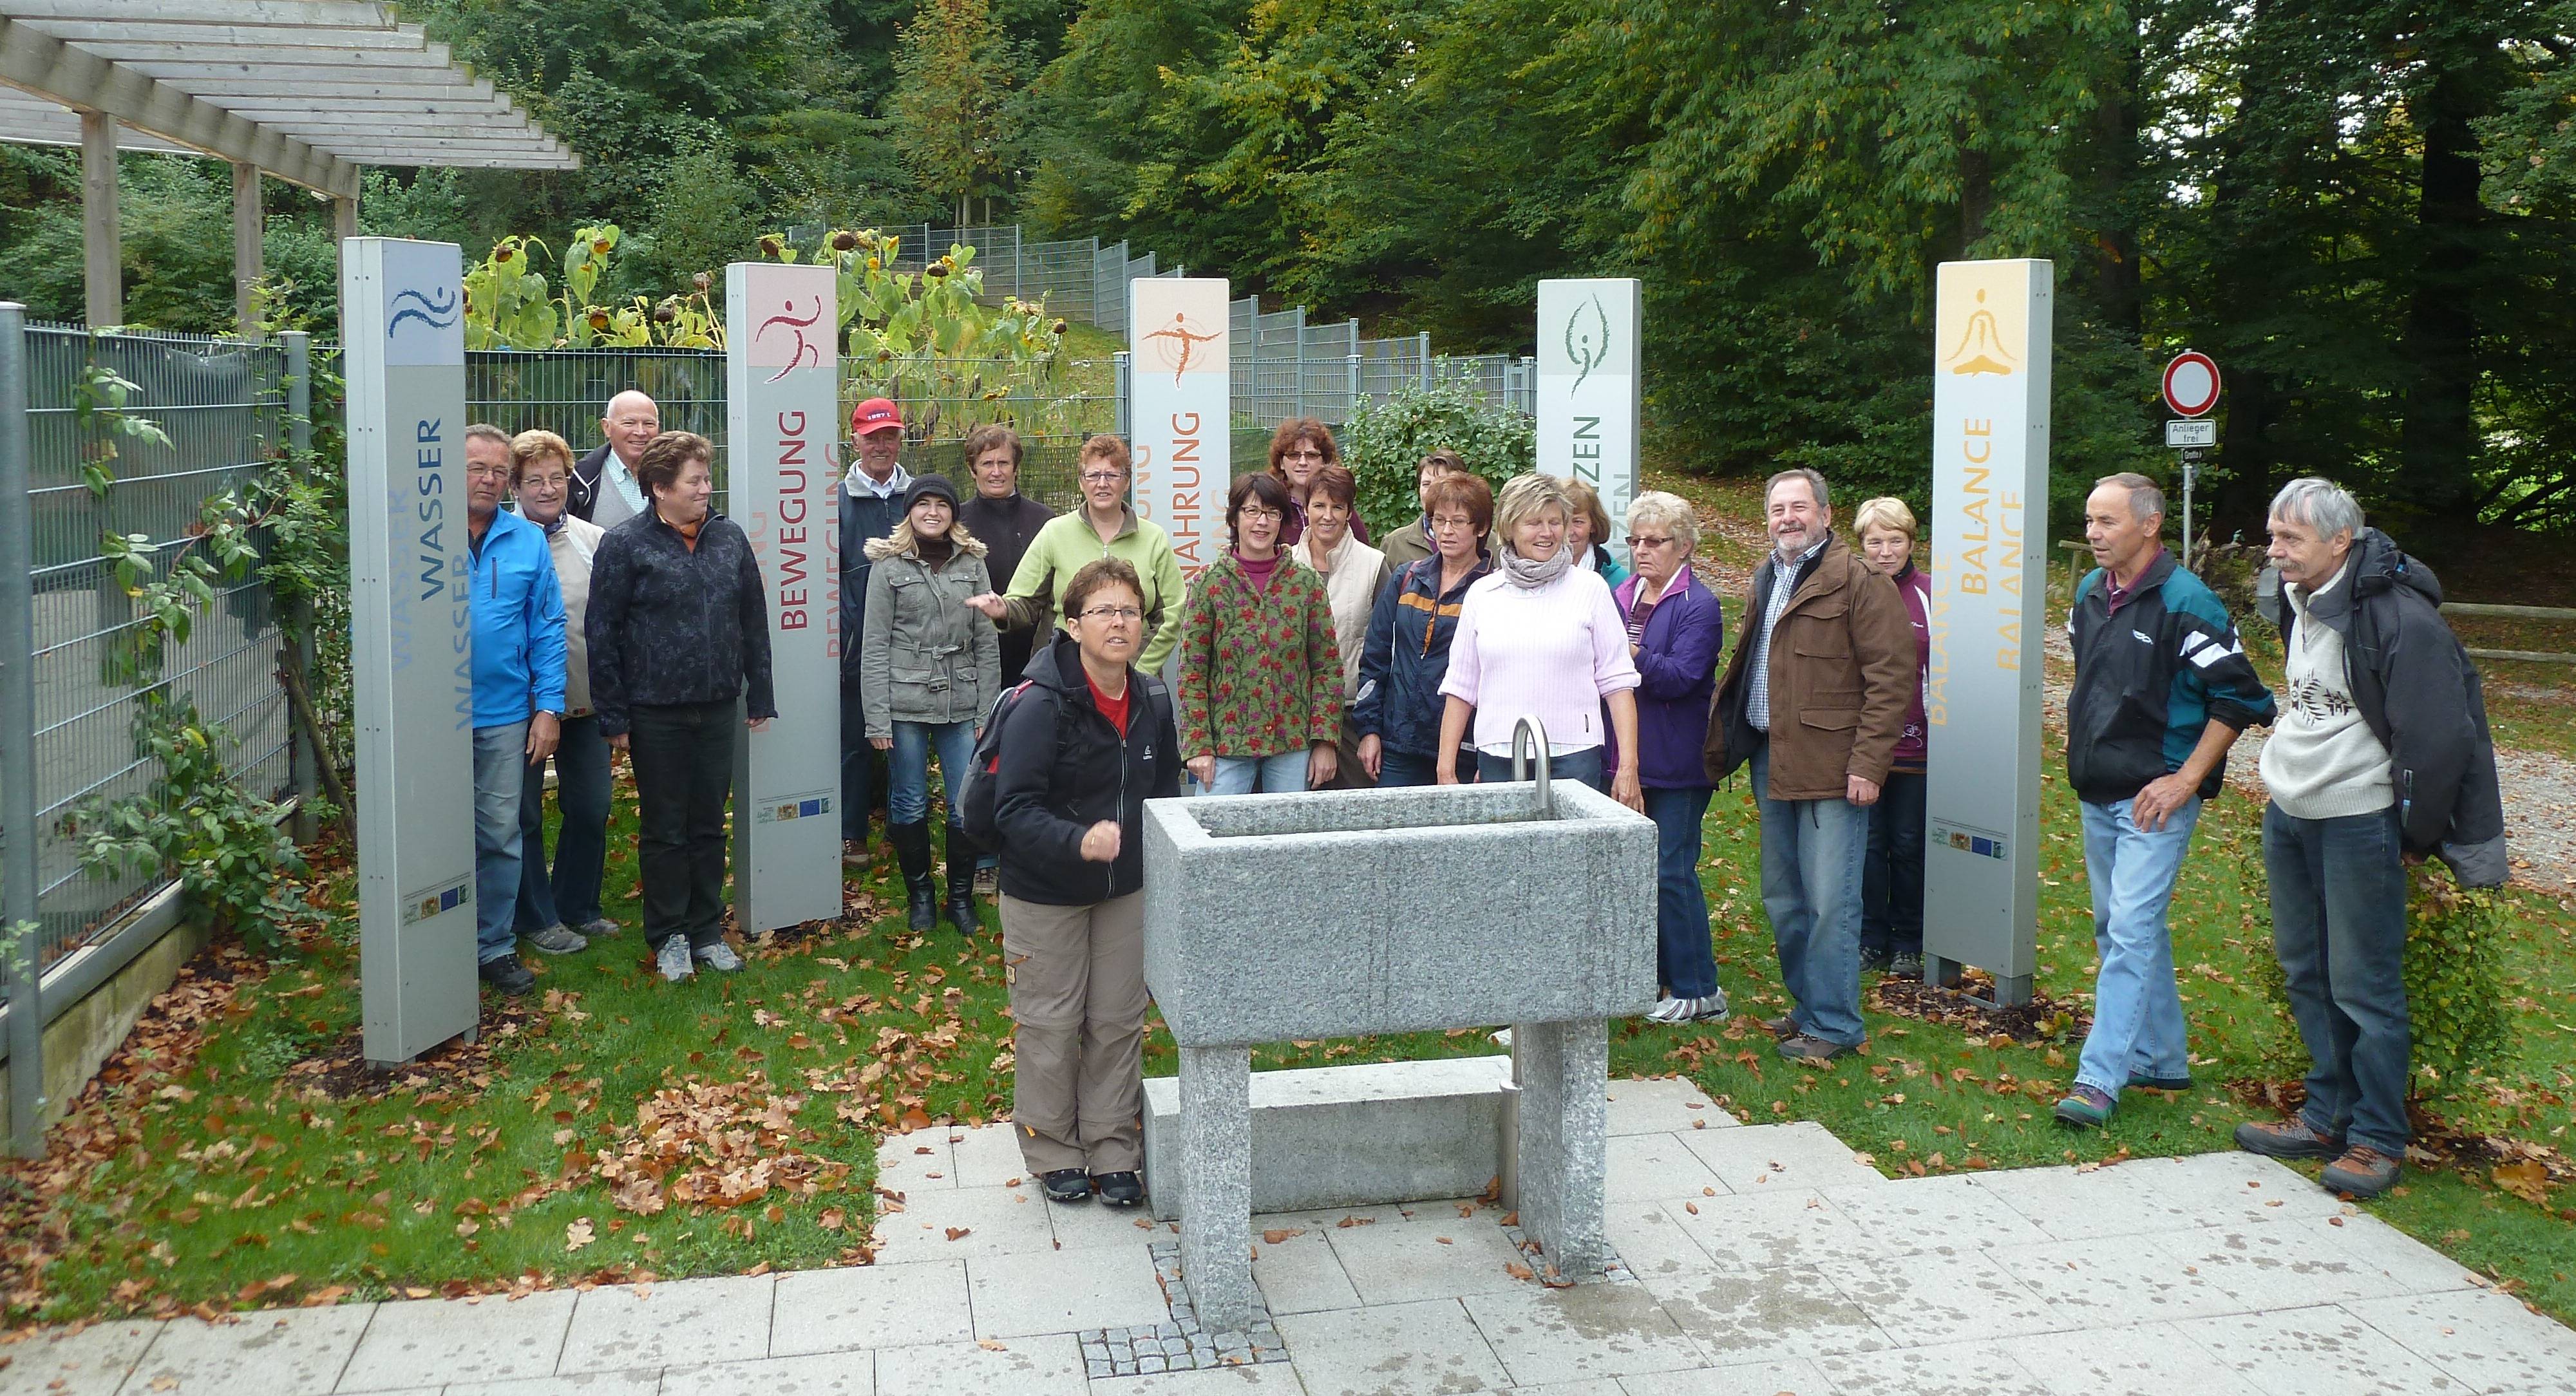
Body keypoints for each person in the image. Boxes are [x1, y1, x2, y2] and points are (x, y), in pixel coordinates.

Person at [2235, 478, 2505, 1199]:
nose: (2274, 550)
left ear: (2339, 541)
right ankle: (2326, 1112)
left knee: (2363, 982)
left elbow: (2442, 736)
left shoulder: (2401, 619)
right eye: (2272, 535)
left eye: (2289, 538)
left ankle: (2378, 1136)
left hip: (2360, 816)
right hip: (2292, 808)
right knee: (2306, 968)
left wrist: (2413, 833)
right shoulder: (2296, 601)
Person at [2052, 474, 2276, 1129]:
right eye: (2089, 521)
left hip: (2155, 799)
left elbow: (2242, 699)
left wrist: (2184, 780)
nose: (2093, 533)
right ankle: (2158, 1055)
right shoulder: (2092, 593)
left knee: (2127, 929)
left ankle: (2098, 1078)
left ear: (2149, 525)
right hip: (2098, 789)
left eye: (2106, 522)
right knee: (2120, 926)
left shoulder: (2189, 603)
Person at [1701, 469, 1914, 1063]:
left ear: (1825, 513)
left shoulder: (1861, 581)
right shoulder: (1769, 574)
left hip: (1834, 764)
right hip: (1775, 756)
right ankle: (1809, 1006)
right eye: (1777, 509)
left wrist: (1869, 765)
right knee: (1783, 896)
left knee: (1831, 901)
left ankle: (1838, 1024)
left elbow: (1891, 680)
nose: (1787, 518)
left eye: (1799, 507)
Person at [992, 558, 1182, 1207]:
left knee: (1117, 1019)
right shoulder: (1038, 705)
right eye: (1104, 611)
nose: (1120, 622)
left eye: (1130, 609)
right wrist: (1078, 840)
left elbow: (1165, 796)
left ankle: (1111, 1147)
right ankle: (1053, 1148)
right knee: (1049, 1022)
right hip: (1043, 891)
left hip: (1123, 892)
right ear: (1073, 625)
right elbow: (1011, 809)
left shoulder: (1153, 698)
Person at [586, 431, 776, 983]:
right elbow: (602, 632)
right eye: (694, 481)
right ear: (660, 488)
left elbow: (753, 621)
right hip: (655, 711)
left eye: (706, 479)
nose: (705, 489)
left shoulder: (728, 538)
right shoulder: (624, 545)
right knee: (666, 828)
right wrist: (614, 714)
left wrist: (759, 692)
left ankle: (708, 931)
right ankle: (668, 935)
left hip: (717, 706)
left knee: (708, 824)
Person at [1436, 474, 1643, 806]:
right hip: (1499, 756)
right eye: (1534, 523)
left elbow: (1618, 682)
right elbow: (1461, 686)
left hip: (1574, 757)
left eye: (1554, 522)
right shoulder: (1483, 594)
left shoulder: (1590, 590)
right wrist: (1446, 769)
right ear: (1510, 528)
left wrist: (1628, 767)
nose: (1547, 533)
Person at [862, 474, 1001, 934]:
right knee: (909, 802)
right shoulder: (889, 566)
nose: (933, 512)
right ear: (910, 512)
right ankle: (920, 896)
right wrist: (877, 718)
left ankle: (959, 900)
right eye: (923, 504)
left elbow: (986, 642)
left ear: (953, 515)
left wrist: (987, 713)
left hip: (961, 699)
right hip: (904, 701)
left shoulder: (973, 563)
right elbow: (875, 645)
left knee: (965, 803)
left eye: (942, 504)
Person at [460, 425, 570, 997]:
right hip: (429, 719)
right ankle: (434, 938)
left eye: (499, 471)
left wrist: (548, 707)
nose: (490, 479)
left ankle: (493, 945)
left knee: (501, 834)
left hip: (505, 715)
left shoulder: (526, 540)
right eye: (478, 467)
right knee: (434, 833)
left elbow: (549, 627)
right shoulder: (419, 537)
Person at [1616, 491, 1728, 1024]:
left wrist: (1631, 655)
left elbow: (1684, 678)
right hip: (1629, 754)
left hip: (1680, 762)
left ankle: (1700, 989)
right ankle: (1663, 979)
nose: (1642, 550)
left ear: (1682, 546)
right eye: (1635, 540)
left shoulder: (1699, 606)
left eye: (1654, 541)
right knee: (1643, 873)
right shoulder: (1624, 593)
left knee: (1673, 871)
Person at [507, 429, 620, 950]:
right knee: (524, 814)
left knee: (591, 807)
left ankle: (579, 905)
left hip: (588, 702)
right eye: (535, 480)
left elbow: (614, 622)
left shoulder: (593, 539)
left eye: (557, 477)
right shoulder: (500, 541)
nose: (548, 489)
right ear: (515, 485)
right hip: (522, 709)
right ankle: (535, 916)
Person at [1179, 474, 1343, 794]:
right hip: (1227, 743)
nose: (1262, 522)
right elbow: (1192, 672)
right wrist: (1198, 745)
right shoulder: (1208, 584)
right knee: (1212, 836)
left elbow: (1327, 667)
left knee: (1289, 841)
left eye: (1272, 513)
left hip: (1292, 742)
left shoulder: (1305, 583)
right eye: (1251, 511)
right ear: (1234, 517)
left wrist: (1325, 741)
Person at [968, 435, 1187, 674]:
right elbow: (1025, 602)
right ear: (1082, 482)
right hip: (1064, 677)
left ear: (1127, 483)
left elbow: (1171, 615)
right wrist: (1003, 609)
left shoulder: (1154, 538)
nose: (1102, 484)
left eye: (1113, 475)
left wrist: (1137, 670)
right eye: (1093, 475)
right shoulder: (1054, 532)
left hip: (1134, 678)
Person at [1354, 472, 1495, 788]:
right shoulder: (1407, 578)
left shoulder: (1494, 589)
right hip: (1399, 745)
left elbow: (1502, 678)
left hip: (1466, 750)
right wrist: (1370, 731)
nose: (1446, 530)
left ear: (1482, 527)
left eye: (1459, 521)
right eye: (1439, 520)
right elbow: (1375, 659)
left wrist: (1490, 756)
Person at [1853, 497, 1934, 981]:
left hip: (1918, 748)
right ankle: (1871, 937)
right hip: (1864, 747)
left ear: (1911, 542)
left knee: (1907, 846)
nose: (1885, 552)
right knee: (1867, 846)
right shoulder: (1852, 592)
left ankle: (1909, 940)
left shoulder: (1931, 595)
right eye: (1874, 542)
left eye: (1895, 541)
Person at [838, 397, 913, 862]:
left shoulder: (919, 497)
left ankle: (902, 827)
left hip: (912, 640)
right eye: (872, 438)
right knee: (854, 741)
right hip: (855, 641)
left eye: (889, 437)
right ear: (856, 441)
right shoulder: (836, 500)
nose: (881, 446)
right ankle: (852, 832)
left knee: (906, 739)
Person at [1300, 464, 1392, 788]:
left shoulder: (1374, 565)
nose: (1328, 516)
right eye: (1320, 505)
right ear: (1306, 507)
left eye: (1338, 507)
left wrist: (1373, 729)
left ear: (1349, 511)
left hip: (1352, 715)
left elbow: (1385, 650)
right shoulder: (1285, 563)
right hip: (1294, 718)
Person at [955, 424, 1056, 690]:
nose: (996, 472)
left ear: (1016, 468)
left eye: (1004, 463)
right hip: (973, 658)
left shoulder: (1046, 522)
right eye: (987, 463)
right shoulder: (956, 524)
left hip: (1037, 658)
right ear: (972, 470)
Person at [1266, 417, 1369, 547]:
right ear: (1281, 462)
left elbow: (1364, 553)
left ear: (1324, 461)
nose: (1302, 463)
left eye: (1312, 455)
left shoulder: (1340, 505)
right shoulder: (1269, 505)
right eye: (1294, 455)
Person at [568, 390, 658, 527]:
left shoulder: (673, 474)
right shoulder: (582, 480)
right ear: (607, 427)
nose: (640, 432)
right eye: (629, 423)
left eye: (649, 424)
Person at [1379, 449, 1467, 569]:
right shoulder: (1395, 544)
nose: (1432, 492)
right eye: (1426, 484)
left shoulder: (1487, 541)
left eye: (1442, 484)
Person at [1563, 479, 1631, 589]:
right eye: (1562, 521)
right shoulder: (1533, 573)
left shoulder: (1620, 582)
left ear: (1594, 525)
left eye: (1578, 522)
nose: (1569, 532)